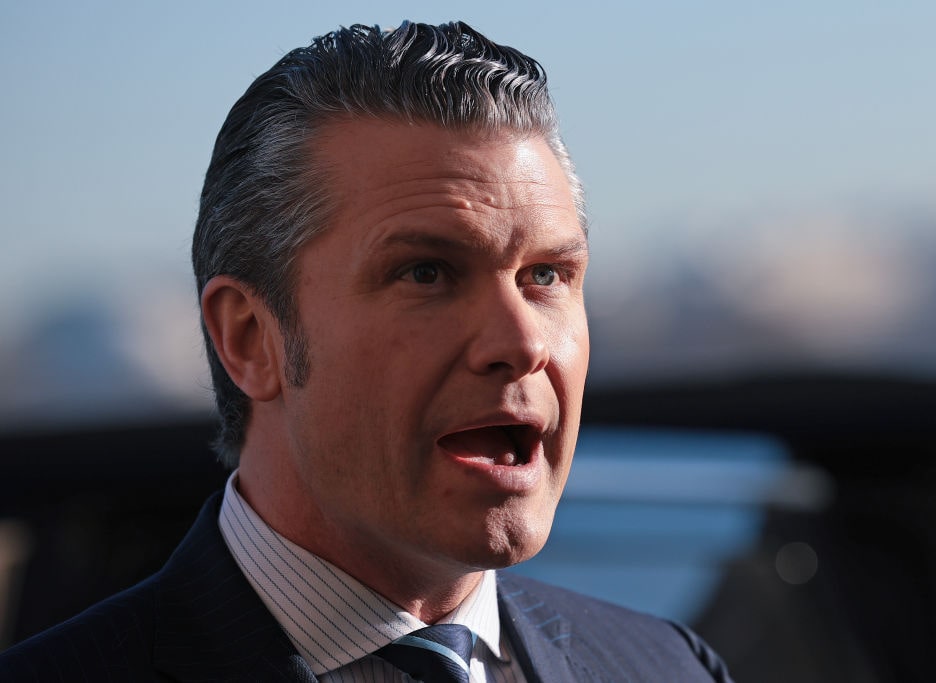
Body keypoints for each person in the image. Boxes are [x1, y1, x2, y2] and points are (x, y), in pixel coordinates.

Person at [0, 21, 732, 682]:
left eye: (545, 275)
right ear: (250, 338)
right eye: (427, 273)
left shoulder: (671, 668)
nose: (521, 343)